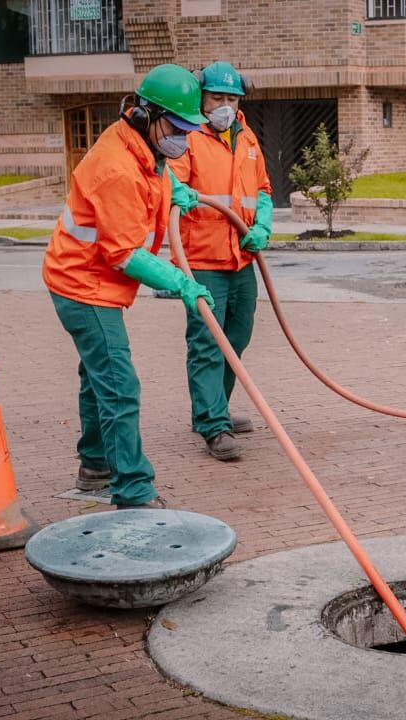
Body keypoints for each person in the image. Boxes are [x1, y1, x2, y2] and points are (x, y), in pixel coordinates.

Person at [41, 63, 214, 509]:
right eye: (176, 127)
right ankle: (133, 490)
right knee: (119, 384)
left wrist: (175, 187)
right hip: (83, 286)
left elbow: (154, 169)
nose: (182, 138)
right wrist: (181, 283)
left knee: (95, 376)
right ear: (144, 114)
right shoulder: (117, 167)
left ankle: (95, 464)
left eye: (188, 129)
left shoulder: (138, 145)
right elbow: (123, 253)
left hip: (86, 278)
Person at [167, 61, 273, 462]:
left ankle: (217, 408)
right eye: (217, 98)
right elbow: (168, 179)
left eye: (232, 98)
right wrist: (180, 192)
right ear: (202, 97)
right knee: (208, 343)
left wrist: (262, 224)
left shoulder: (246, 137)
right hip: (203, 258)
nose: (225, 105)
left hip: (242, 257)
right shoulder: (187, 135)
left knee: (238, 337)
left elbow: (262, 188)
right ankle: (213, 424)